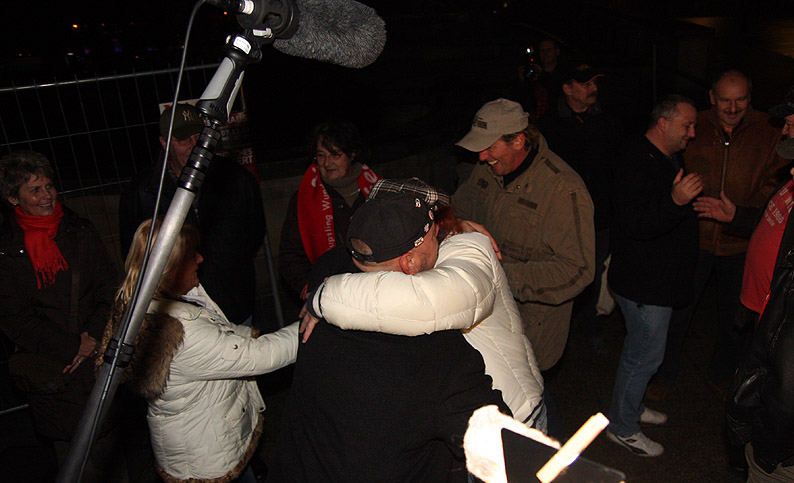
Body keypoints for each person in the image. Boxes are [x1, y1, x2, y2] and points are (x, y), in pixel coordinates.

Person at [268, 192, 509, 482]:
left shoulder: (327, 271)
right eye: (436, 236)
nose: (442, 236)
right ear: (410, 263)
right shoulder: (438, 357)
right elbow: (506, 451)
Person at [303, 178, 546, 430]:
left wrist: (326, 297)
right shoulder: (384, 261)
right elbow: (330, 330)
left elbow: (432, 297)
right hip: (457, 421)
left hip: (516, 414)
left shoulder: (468, 248)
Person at [99, 219, 299, 482]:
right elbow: (260, 356)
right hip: (206, 458)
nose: (201, 259)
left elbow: (220, 332)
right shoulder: (181, 333)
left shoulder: (149, 305)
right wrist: (314, 319)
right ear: (171, 268)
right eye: (193, 255)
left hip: (204, 439)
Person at [653, 70, 790, 399]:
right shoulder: (694, 125)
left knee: (734, 318)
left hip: (740, 243)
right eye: (725, 100)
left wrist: (738, 215)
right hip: (695, 239)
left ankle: (722, 374)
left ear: (750, 98)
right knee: (678, 312)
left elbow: (774, 186)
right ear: (712, 97)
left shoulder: (771, 129)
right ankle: (661, 374)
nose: (732, 108)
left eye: (740, 100)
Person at [0, 151, 120, 480]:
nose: (47, 195)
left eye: (49, 186)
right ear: (13, 198)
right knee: (74, 460)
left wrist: (92, 337)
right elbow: (14, 317)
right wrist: (71, 346)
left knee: (110, 453)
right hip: (54, 370)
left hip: (96, 358)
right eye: (34, 190)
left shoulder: (79, 230)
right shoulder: (6, 251)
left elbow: (109, 287)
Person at [453, 98, 595, 373]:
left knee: (524, 391)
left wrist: (501, 276)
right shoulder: (487, 169)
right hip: (486, 317)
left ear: (518, 141)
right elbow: (459, 209)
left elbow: (577, 270)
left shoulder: (563, 190)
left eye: (489, 147)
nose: (481, 157)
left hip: (530, 327)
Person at [606, 95, 701, 457]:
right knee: (644, 356)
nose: (692, 133)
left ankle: (632, 405)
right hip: (644, 284)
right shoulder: (634, 160)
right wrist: (675, 201)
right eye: (686, 125)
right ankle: (623, 427)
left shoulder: (666, 155)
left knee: (641, 353)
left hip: (657, 280)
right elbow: (635, 223)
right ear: (663, 123)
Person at [119, 103, 266, 325]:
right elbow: (135, 256)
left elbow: (254, 233)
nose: (194, 146)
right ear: (165, 143)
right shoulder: (142, 193)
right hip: (178, 315)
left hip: (234, 305)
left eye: (199, 137)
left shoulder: (236, 179)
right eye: (183, 140)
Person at [537, 63, 624, 354]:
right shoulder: (548, 126)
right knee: (560, 272)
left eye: (595, 82)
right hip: (561, 219)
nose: (593, 89)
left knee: (594, 274)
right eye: (586, 84)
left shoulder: (608, 120)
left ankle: (591, 329)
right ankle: (556, 331)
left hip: (600, 218)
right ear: (567, 88)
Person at [726, 164, 794, 482]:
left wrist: (763, 442)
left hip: (779, 447)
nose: (791, 170)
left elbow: (787, 384)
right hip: (766, 321)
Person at [278, 121, 382, 300]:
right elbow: (290, 256)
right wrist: (311, 290)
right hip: (331, 295)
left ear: (352, 154)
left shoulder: (378, 190)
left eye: (335, 154)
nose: (327, 163)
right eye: (321, 155)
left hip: (378, 289)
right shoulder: (304, 199)